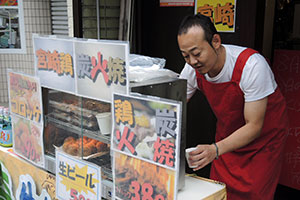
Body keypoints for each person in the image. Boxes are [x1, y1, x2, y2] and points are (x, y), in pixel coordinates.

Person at [178, 14, 288, 200]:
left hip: (264, 139)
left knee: (254, 193)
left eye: (196, 54)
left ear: (216, 41)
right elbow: (174, 105)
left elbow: (254, 126)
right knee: (220, 190)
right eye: (185, 56)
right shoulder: (192, 69)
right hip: (228, 134)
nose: (192, 61)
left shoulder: (251, 65)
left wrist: (215, 149)